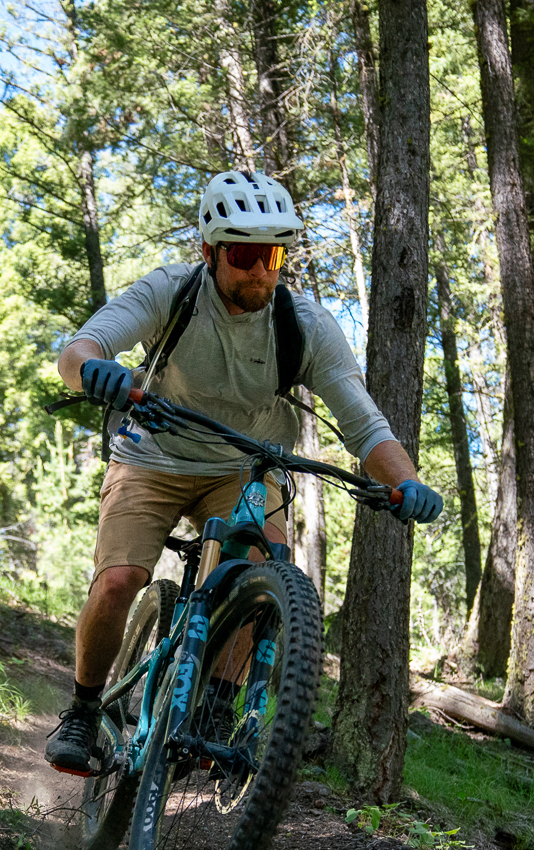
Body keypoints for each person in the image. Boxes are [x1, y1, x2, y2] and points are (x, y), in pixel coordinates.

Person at [44, 170, 443, 776]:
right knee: (120, 579)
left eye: (274, 253)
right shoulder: (170, 293)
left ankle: (214, 714)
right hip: (154, 457)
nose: (262, 271)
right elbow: (79, 349)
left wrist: (407, 482)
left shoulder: (304, 326)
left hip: (244, 466)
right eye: (246, 253)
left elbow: (367, 427)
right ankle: (82, 708)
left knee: (257, 585)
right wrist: (96, 372)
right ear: (210, 253)